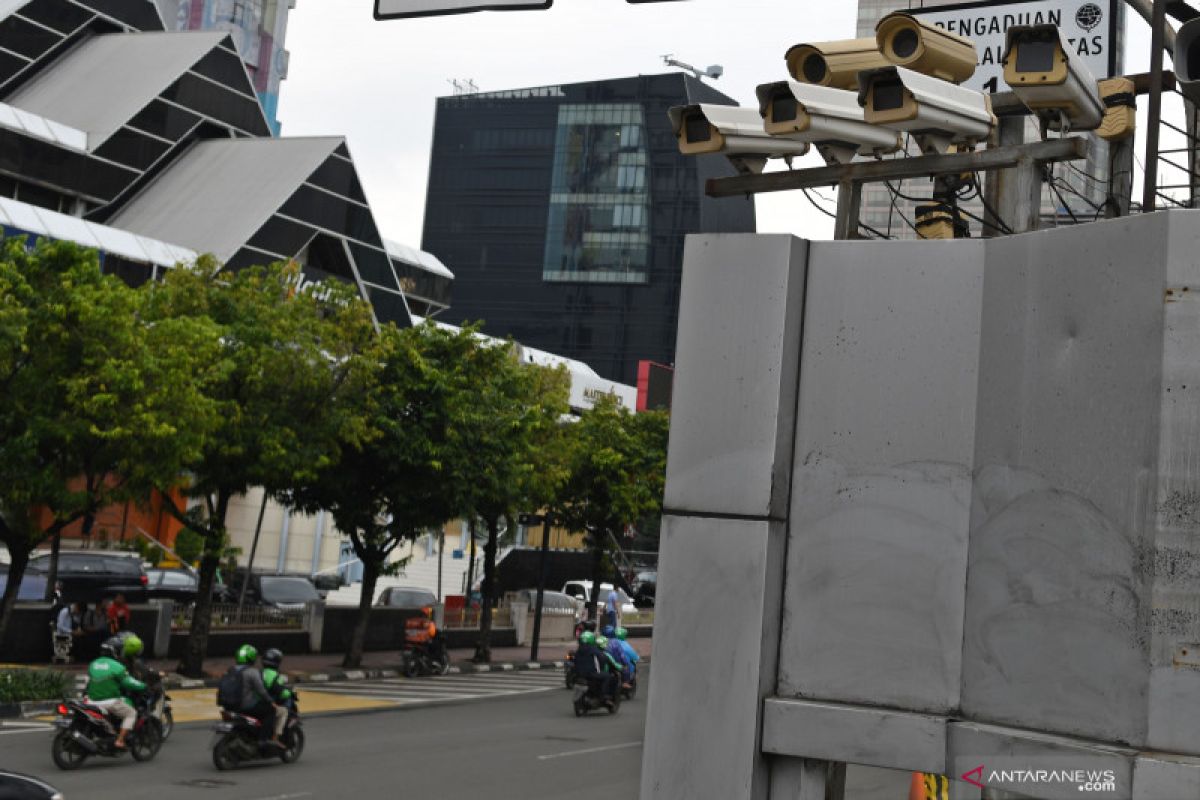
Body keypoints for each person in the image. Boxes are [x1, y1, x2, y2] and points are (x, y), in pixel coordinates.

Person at [84, 637, 146, 749]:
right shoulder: (118, 667)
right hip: (109, 702)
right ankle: (120, 740)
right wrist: (143, 686)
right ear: (115, 652)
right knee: (131, 713)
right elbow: (129, 683)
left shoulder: (93, 664)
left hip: (91, 701)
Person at [233, 644, 285, 746]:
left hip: (232, 705)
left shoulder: (232, 670)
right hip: (247, 705)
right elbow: (261, 690)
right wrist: (271, 702)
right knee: (271, 711)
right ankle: (263, 739)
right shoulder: (252, 672)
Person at [572, 631, 617, 708]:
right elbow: (602, 658)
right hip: (591, 674)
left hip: (578, 674)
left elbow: (574, 662)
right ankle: (603, 695)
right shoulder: (593, 649)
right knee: (608, 676)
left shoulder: (578, 650)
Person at [260, 648, 291, 741]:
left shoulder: (259, 672)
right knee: (283, 711)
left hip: (257, 702)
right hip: (267, 704)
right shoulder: (276, 676)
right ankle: (275, 738)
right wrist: (289, 693)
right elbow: (282, 693)